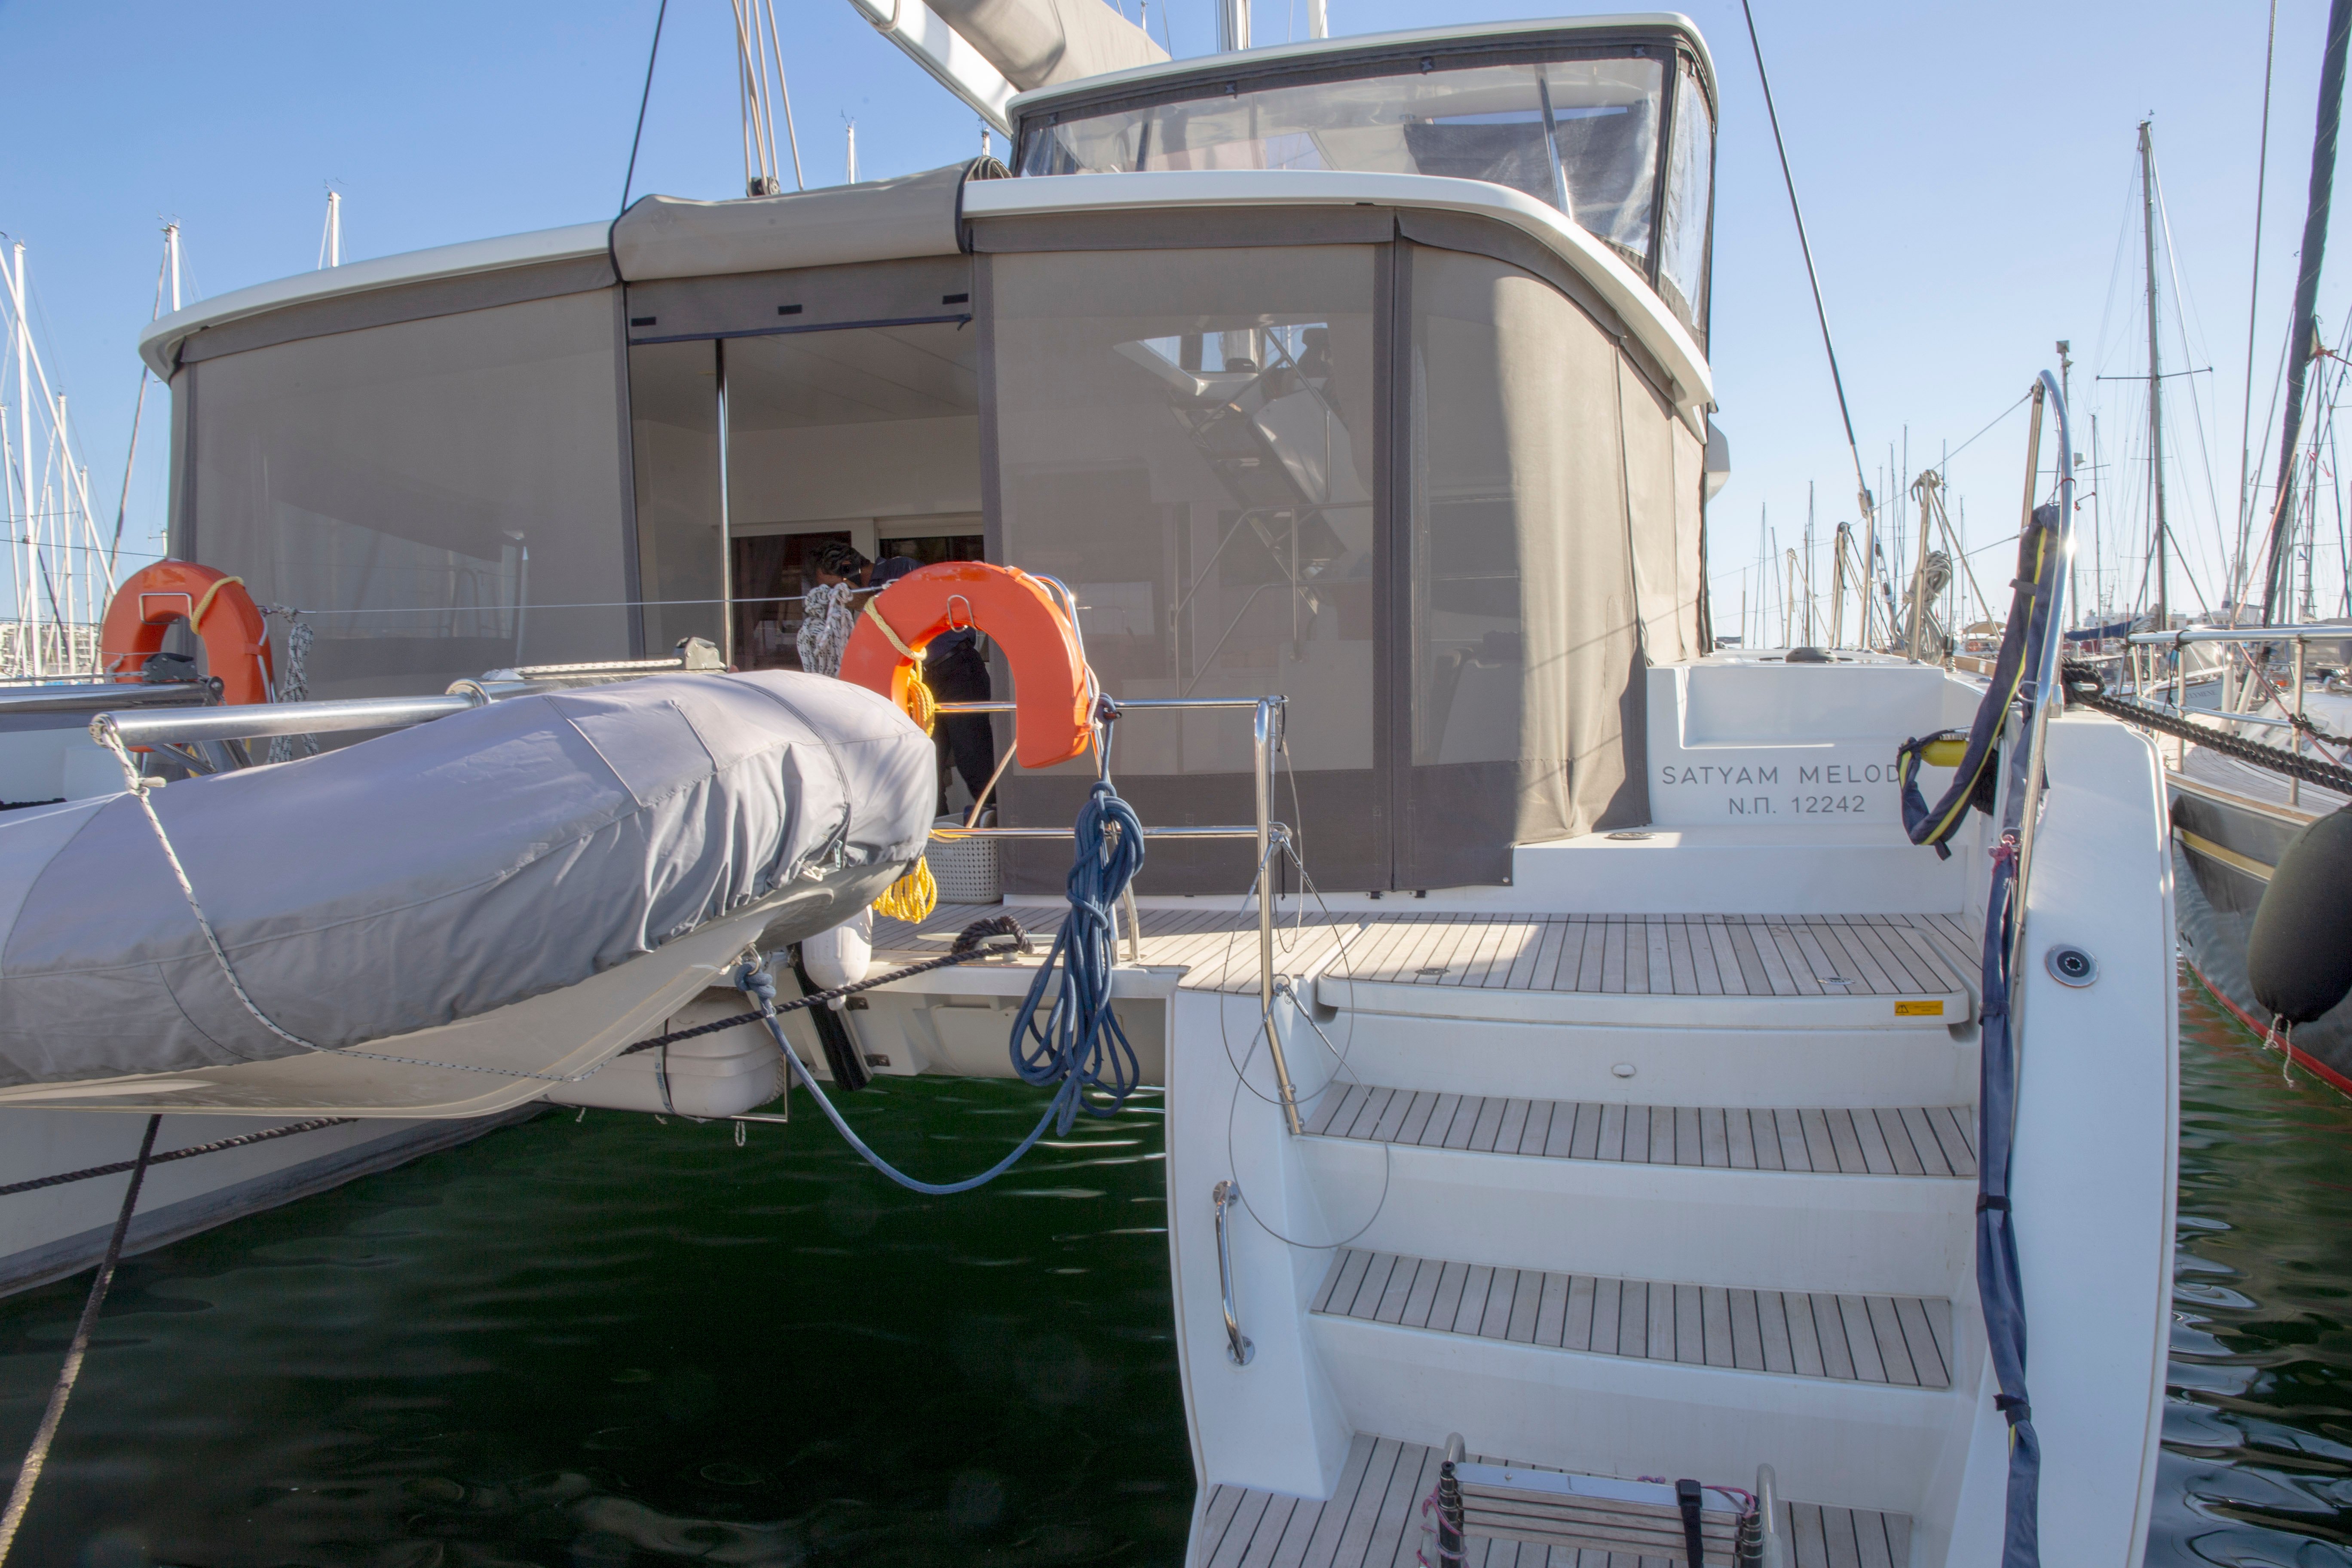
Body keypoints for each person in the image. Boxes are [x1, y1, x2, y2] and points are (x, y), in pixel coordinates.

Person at [805, 542, 997, 815]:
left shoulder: (902, 570)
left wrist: (870, 603)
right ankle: (933, 837)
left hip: (957, 670)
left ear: (851, 572)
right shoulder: (869, 606)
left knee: (974, 759)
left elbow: (920, 616)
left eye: (837, 588)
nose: (840, 598)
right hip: (921, 682)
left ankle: (999, 827)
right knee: (925, 767)